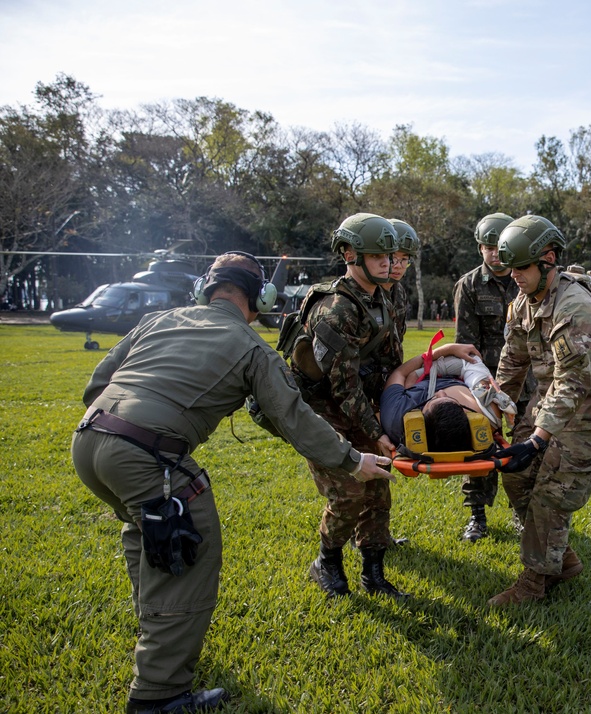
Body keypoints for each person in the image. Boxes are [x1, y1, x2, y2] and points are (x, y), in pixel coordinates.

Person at [71, 251, 393, 713]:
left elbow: (98, 381)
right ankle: (159, 696)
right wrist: (350, 459)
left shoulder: (158, 320)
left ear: (207, 286)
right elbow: (293, 416)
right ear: (261, 297)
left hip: (90, 441)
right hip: (151, 457)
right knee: (187, 558)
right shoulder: (252, 347)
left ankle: (159, 641)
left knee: (148, 540)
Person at [488, 215, 591, 606]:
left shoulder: (577, 308)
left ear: (548, 258)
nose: (514, 275)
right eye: (509, 267)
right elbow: (512, 364)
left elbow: (573, 384)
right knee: (515, 476)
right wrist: (496, 409)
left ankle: (534, 583)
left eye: (522, 267)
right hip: (550, 399)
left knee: (552, 492)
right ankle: (561, 558)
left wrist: (537, 439)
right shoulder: (523, 303)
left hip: (590, 410)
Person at [288, 213, 408, 600]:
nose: (387, 263)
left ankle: (373, 574)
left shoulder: (382, 301)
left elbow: (390, 364)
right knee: (348, 495)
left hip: (359, 410)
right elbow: (343, 385)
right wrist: (377, 432)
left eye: (390, 256)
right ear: (350, 254)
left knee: (378, 492)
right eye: (378, 257)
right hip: (322, 416)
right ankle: (327, 561)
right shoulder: (336, 308)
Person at [453, 212, 523, 541]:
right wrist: (483, 385)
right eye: (487, 247)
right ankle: (477, 516)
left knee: (525, 444)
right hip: (484, 380)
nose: (494, 253)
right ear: (480, 249)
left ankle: (521, 510)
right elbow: (467, 345)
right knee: (478, 445)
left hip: (526, 379)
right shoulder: (468, 286)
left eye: (500, 246)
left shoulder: (527, 277)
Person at [379, 342, 515, 451]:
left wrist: (442, 351)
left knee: (410, 377)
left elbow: (399, 373)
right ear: (466, 415)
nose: (440, 392)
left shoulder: (396, 417)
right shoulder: (486, 415)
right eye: (454, 401)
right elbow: (473, 362)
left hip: (425, 376)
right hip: (457, 373)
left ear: (420, 418)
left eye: (434, 399)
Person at [384, 218, 420, 366]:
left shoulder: (398, 291)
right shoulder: (365, 292)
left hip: (391, 380)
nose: (398, 266)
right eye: (392, 258)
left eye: (404, 259)